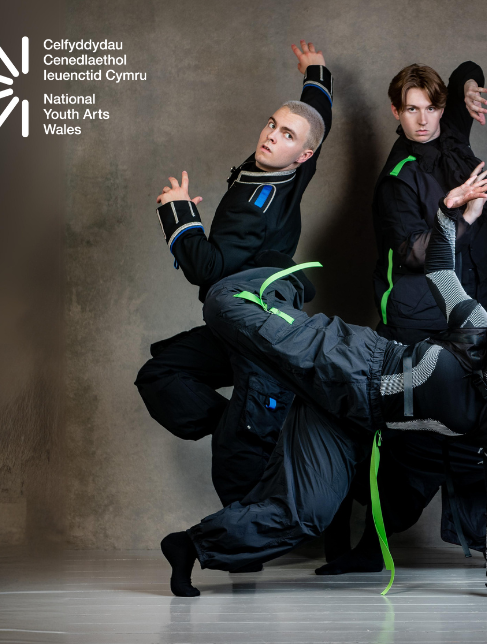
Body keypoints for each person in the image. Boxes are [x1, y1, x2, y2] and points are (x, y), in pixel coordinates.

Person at [159, 170, 487, 599]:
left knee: (307, 516)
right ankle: (278, 282)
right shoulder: (475, 323)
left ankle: (190, 547)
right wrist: (448, 212)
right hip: (350, 361)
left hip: (350, 419)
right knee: (225, 305)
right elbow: (441, 269)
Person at [321, 59, 487, 565]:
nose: (422, 120)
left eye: (431, 107)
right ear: (395, 113)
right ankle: (363, 538)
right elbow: (413, 255)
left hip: (471, 306)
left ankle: (484, 536)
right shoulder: (396, 181)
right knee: (409, 433)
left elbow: (467, 65)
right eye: (411, 110)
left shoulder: (449, 135)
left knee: (482, 420)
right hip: (418, 316)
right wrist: (453, 210)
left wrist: (469, 85)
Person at [134, 41, 333, 506]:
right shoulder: (294, 169)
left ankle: (245, 541)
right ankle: (244, 422)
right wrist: (316, 72)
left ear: (303, 156)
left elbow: (205, 267)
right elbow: (319, 113)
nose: (271, 136)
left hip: (259, 327)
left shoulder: (253, 207)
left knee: (236, 457)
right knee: (162, 374)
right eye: (273, 124)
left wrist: (177, 213)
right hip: (234, 326)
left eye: (287, 135)